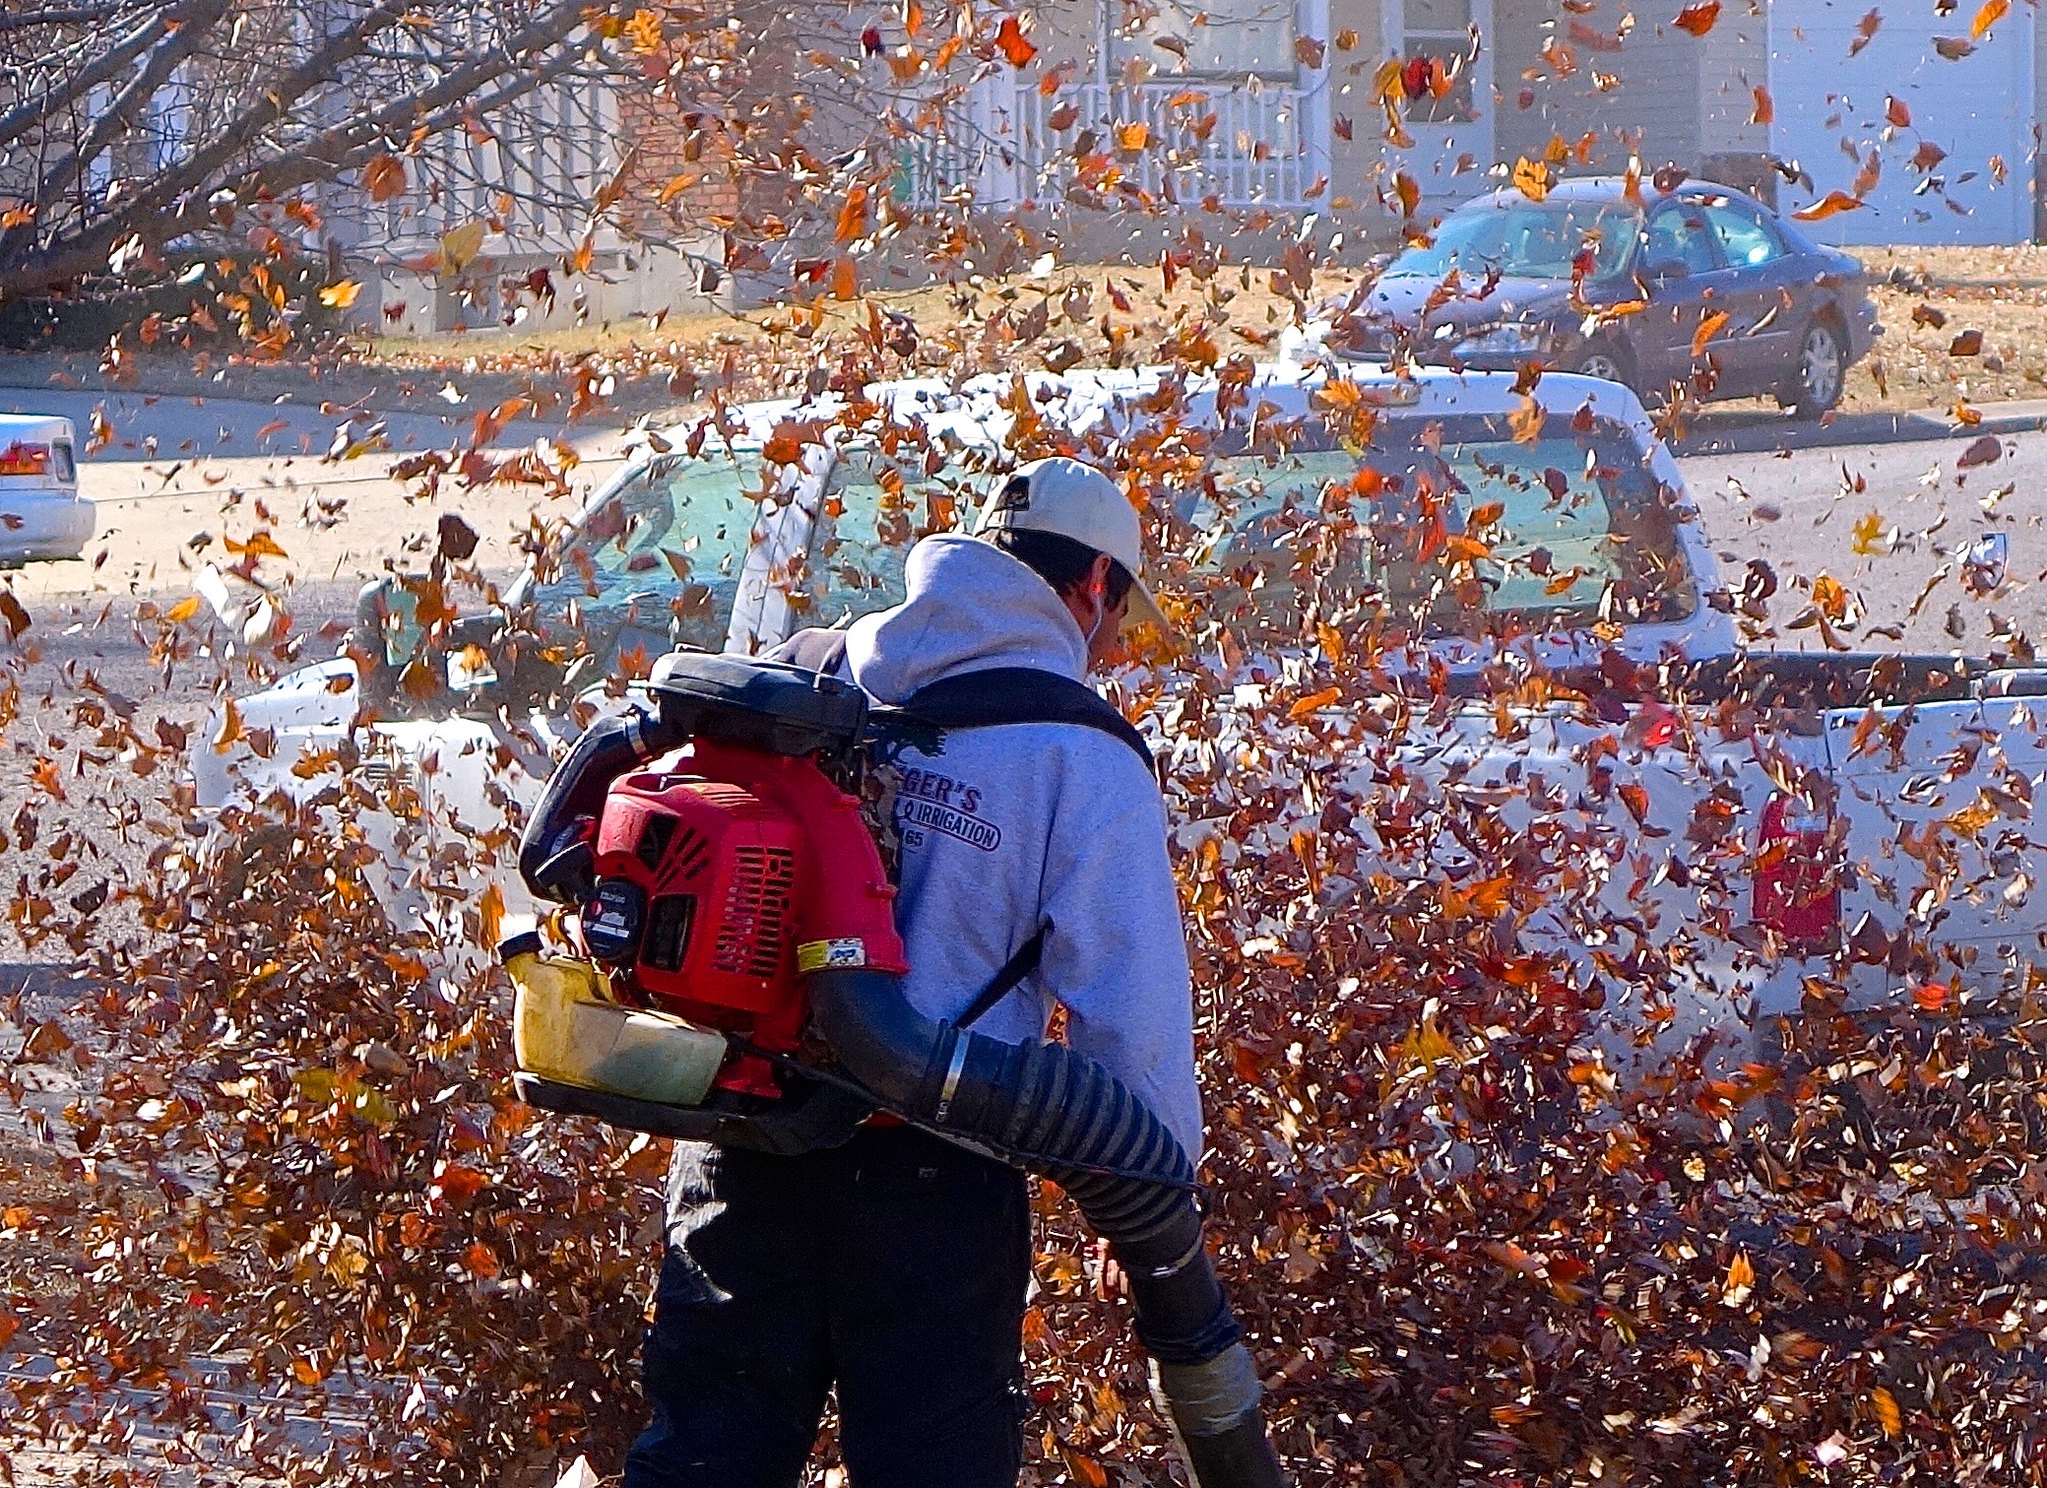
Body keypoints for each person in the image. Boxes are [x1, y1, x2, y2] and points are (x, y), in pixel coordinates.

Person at [625, 456, 1203, 1488]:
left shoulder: (809, 673)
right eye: (1118, 617)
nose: (1112, 646)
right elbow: (1132, 1006)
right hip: (934, 1181)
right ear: (1094, 587)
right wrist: (1148, 1190)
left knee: (701, 1461)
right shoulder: (1081, 757)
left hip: (743, 1145)